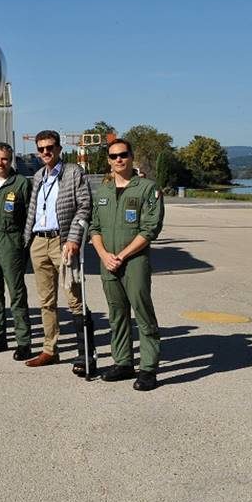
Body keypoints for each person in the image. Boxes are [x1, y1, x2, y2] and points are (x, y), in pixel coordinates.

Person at [89, 138, 164, 391]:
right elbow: (94, 227)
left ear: (131, 157)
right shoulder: (103, 192)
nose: (118, 159)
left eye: (123, 155)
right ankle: (123, 362)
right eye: (113, 156)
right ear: (108, 160)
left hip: (134, 262)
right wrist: (103, 255)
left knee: (143, 313)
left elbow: (150, 228)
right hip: (108, 262)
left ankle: (148, 368)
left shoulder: (146, 189)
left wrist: (122, 254)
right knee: (116, 315)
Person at [22, 130, 92, 368]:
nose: (45, 152)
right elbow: (33, 210)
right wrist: (28, 240)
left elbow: (84, 207)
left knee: (74, 298)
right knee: (46, 301)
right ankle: (50, 350)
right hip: (39, 242)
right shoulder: (38, 175)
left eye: (49, 148)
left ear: (59, 149)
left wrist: (74, 238)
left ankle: (85, 353)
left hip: (62, 242)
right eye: (41, 149)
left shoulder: (74, 172)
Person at [0, 142, 33, 359]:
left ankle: (23, 342)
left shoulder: (20, 184)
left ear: (10, 160)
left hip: (11, 244)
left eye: (4, 159)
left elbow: (30, 217)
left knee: (16, 294)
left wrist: (24, 245)